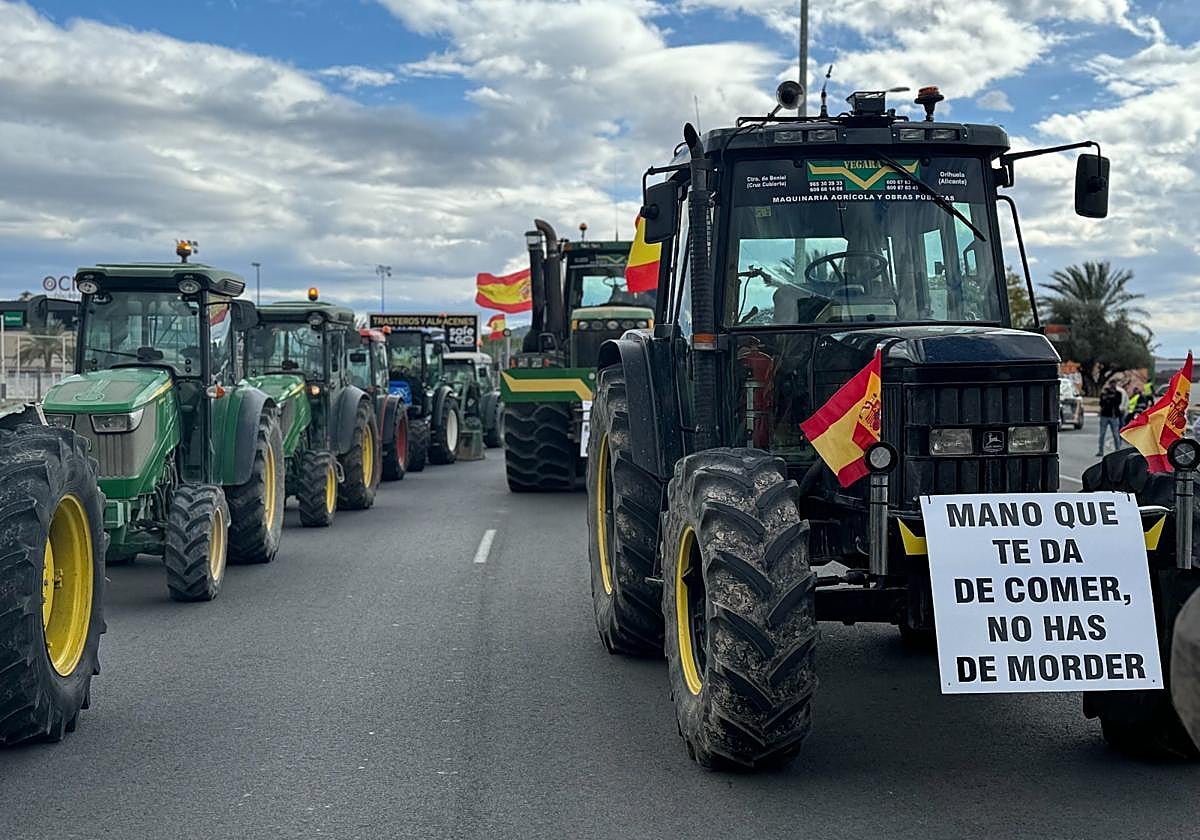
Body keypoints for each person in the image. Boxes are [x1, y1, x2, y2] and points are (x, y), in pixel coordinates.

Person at [1097, 381, 1124, 456]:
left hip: (1113, 416)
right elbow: (1101, 403)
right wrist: (1107, 397)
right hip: (1104, 415)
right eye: (1111, 385)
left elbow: (1117, 402)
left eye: (1114, 384)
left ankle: (1118, 450)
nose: (1112, 386)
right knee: (1102, 434)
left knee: (1116, 434)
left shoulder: (1118, 393)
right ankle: (1100, 451)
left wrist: (1109, 398)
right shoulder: (1104, 392)